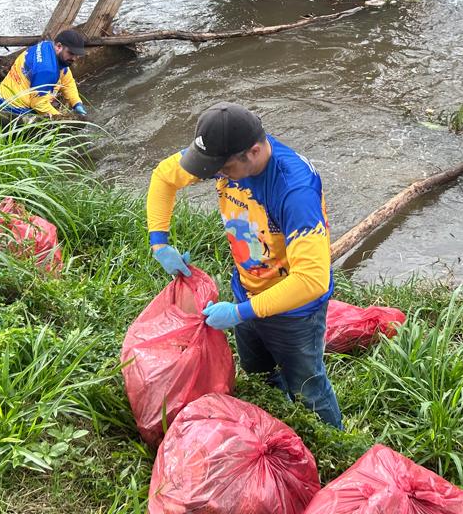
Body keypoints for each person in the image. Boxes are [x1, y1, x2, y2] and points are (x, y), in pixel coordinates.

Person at [146, 102, 343, 428]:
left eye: (222, 169)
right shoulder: (224, 155)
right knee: (259, 371)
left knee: (309, 388)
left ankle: (333, 444)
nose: (216, 175)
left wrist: (240, 313)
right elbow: (164, 177)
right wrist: (160, 243)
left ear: (253, 152)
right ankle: (279, 419)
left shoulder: (294, 191)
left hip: (294, 312)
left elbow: (312, 280)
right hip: (247, 291)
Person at [0, 30, 88, 118]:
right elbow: (38, 104)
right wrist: (62, 119)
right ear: (59, 46)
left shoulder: (47, 46)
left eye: (77, 55)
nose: (74, 58)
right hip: (12, 111)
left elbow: (67, 82)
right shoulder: (47, 70)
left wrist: (76, 103)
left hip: (1, 97)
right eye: (71, 53)